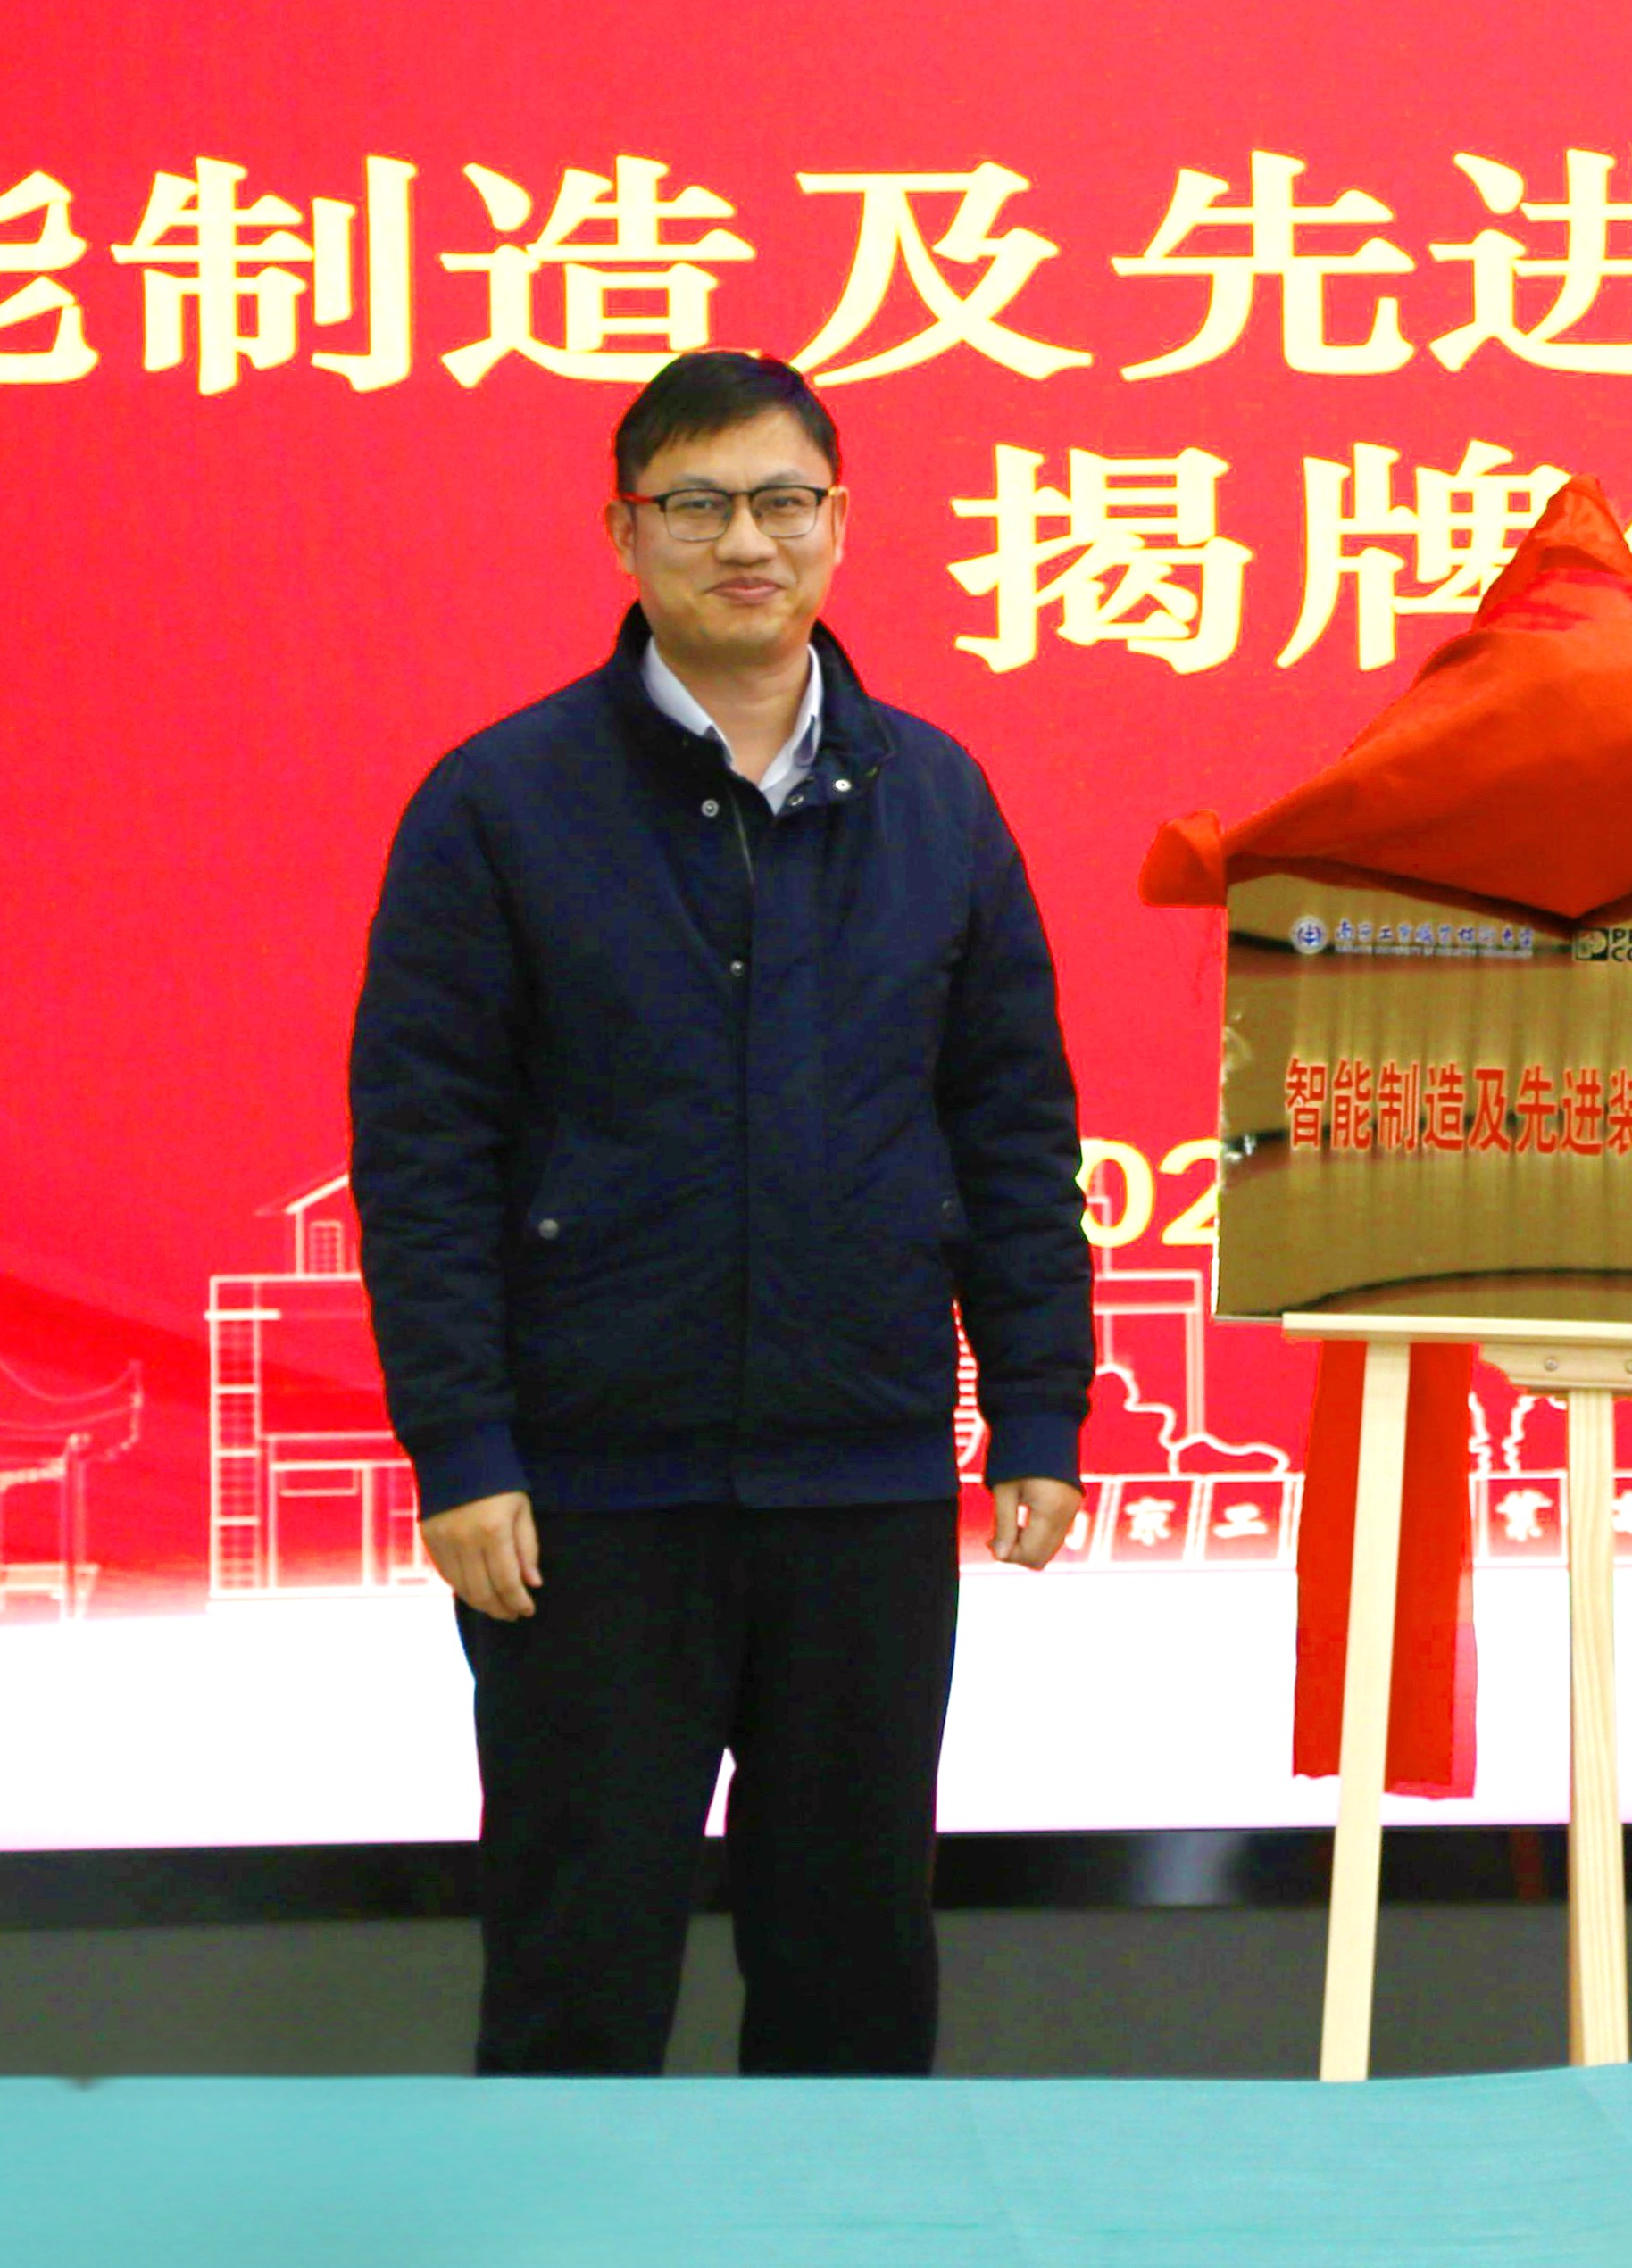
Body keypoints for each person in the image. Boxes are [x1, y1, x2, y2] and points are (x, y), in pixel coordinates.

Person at [349, 348, 1092, 2077]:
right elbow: (427, 1148)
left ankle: (837, 2225)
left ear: (840, 524)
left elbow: (1008, 1122)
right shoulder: (502, 802)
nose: (743, 541)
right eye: (695, 505)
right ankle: (562, 2224)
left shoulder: (936, 797)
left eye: (780, 502)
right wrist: (461, 1444)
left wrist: (1040, 1406)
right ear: (624, 533)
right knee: (579, 1960)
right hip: (589, 1497)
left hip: (863, 1479)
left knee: (853, 1961)